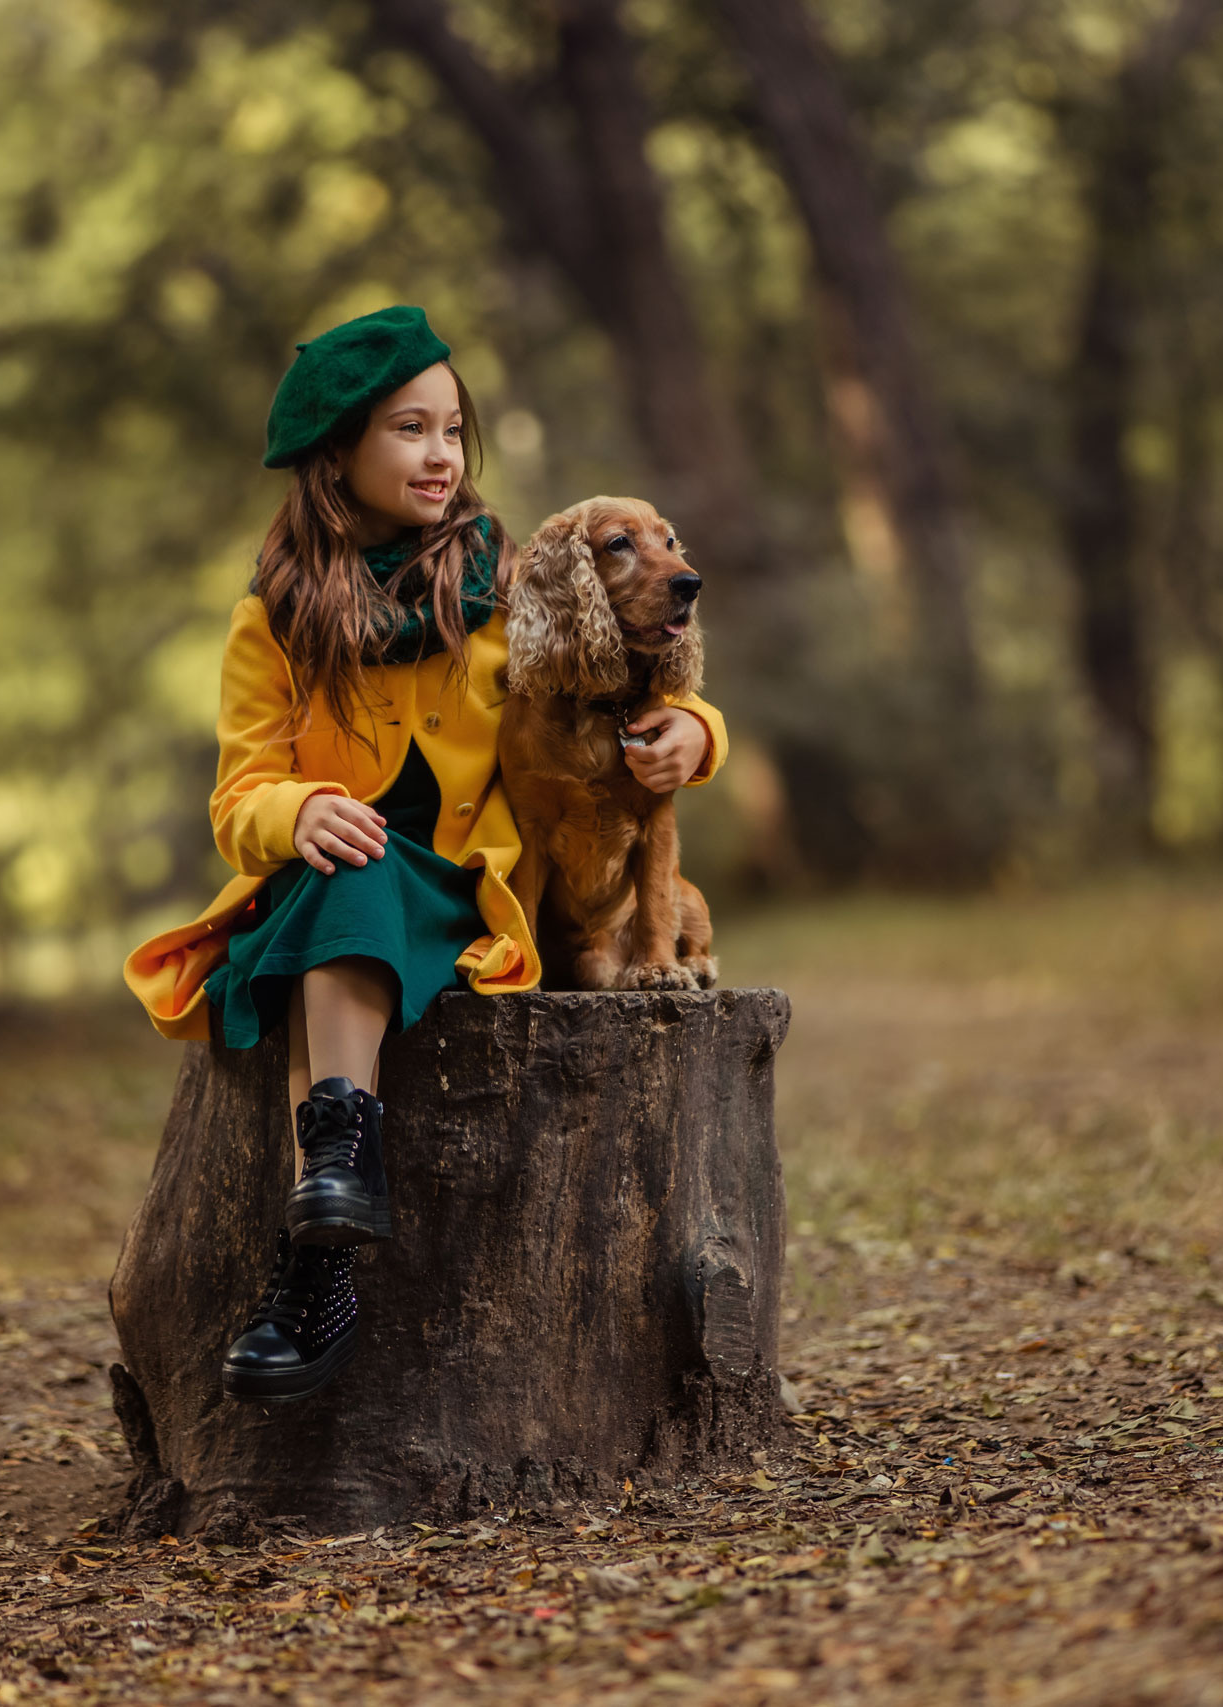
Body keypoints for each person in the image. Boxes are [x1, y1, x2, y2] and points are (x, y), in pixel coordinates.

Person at [125, 306, 727, 1402]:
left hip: (464, 896)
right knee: (334, 879)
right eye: (409, 429)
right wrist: (295, 810)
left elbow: (633, 679)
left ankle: (320, 1228)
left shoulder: (505, 590)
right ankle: (328, 1229)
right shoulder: (273, 621)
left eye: (453, 429)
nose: (442, 454)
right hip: (328, 890)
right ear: (337, 454)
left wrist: (701, 733)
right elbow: (237, 799)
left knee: (355, 891)